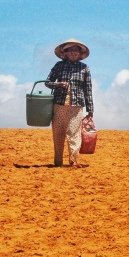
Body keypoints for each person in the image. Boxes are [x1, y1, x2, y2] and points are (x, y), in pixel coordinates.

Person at [45, 38, 94, 167]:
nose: (73, 53)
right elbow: (47, 82)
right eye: (70, 50)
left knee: (74, 133)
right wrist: (58, 84)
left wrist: (90, 109)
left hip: (76, 106)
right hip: (58, 105)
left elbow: (88, 89)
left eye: (76, 50)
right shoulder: (58, 66)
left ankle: (73, 161)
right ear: (65, 52)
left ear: (79, 53)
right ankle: (58, 162)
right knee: (58, 134)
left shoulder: (84, 68)